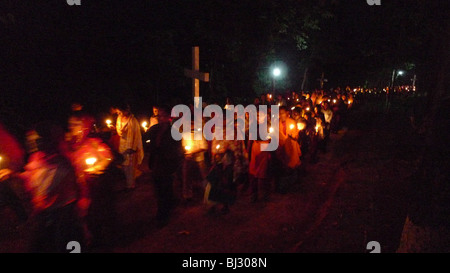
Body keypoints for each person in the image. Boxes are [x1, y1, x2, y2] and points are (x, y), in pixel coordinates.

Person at [1, 121, 85, 252]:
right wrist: (12, 175)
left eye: (38, 139)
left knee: (66, 245)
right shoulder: (37, 159)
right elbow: (33, 177)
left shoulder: (63, 164)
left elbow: (49, 187)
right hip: (44, 217)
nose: (35, 143)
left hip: (64, 218)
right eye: (32, 140)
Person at [147, 106, 184, 227]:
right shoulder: (154, 129)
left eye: (163, 116)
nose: (160, 118)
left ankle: (165, 212)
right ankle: (162, 208)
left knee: (165, 188)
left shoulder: (174, 131)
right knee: (158, 189)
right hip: (156, 163)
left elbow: (178, 148)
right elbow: (145, 139)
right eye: (159, 116)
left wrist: (175, 162)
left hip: (167, 164)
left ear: (168, 117)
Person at [0, 122, 28, 224]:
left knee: (6, 191)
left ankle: (23, 220)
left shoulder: (4, 138)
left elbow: (16, 156)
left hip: (7, 177)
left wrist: (11, 170)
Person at [113, 103, 144, 190]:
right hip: (122, 144)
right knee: (124, 165)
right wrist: (120, 131)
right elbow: (118, 129)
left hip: (130, 146)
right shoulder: (119, 118)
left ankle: (131, 185)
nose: (119, 114)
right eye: (118, 113)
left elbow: (136, 135)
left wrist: (132, 148)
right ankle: (128, 182)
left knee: (130, 166)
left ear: (126, 111)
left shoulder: (133, 121)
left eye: (120, 112)